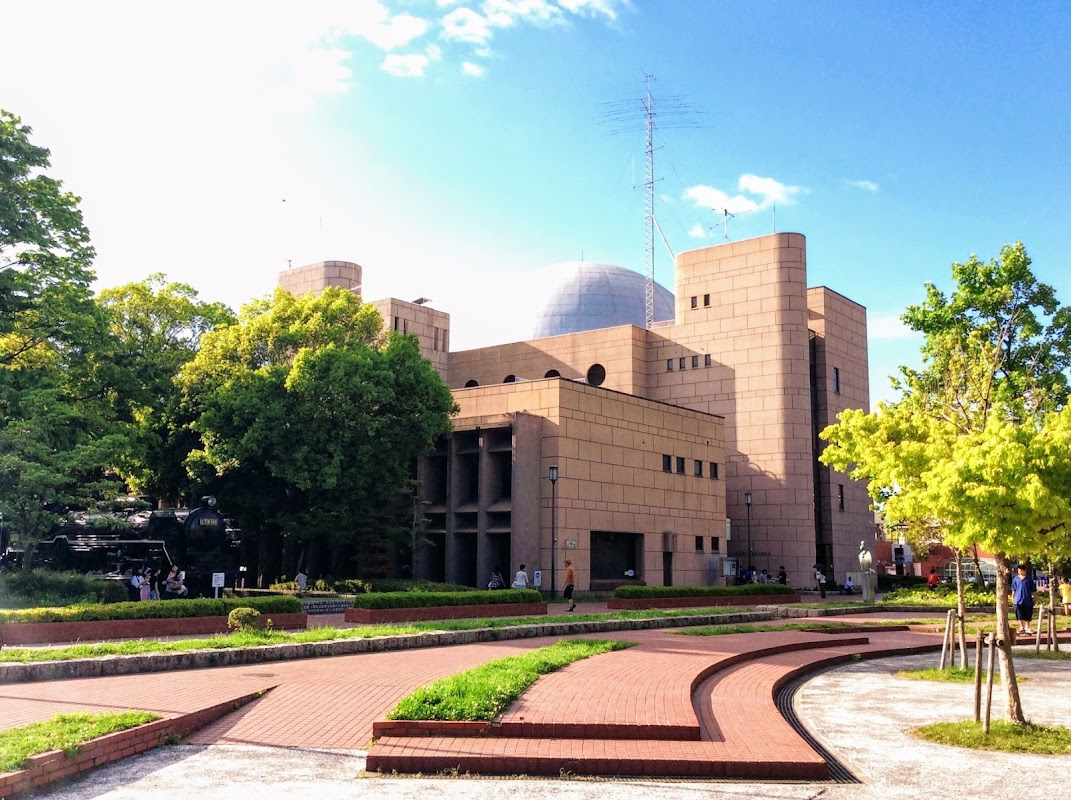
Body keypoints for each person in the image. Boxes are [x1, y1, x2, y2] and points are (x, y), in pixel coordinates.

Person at [1012, 564, 1036, 635]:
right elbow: (1013, 589)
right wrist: (1013, 598)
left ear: (1024, 570)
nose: (1019, 572)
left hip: (1027, 599)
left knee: (1028, 614)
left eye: (1021, 570)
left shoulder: (1029, 579)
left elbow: (1033, 590)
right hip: (1018, 600)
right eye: (1018, 570)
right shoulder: (1016, 579)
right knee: (1019, 614)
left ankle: (1027, 627)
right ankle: (1021, 627)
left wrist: (1035, 598)